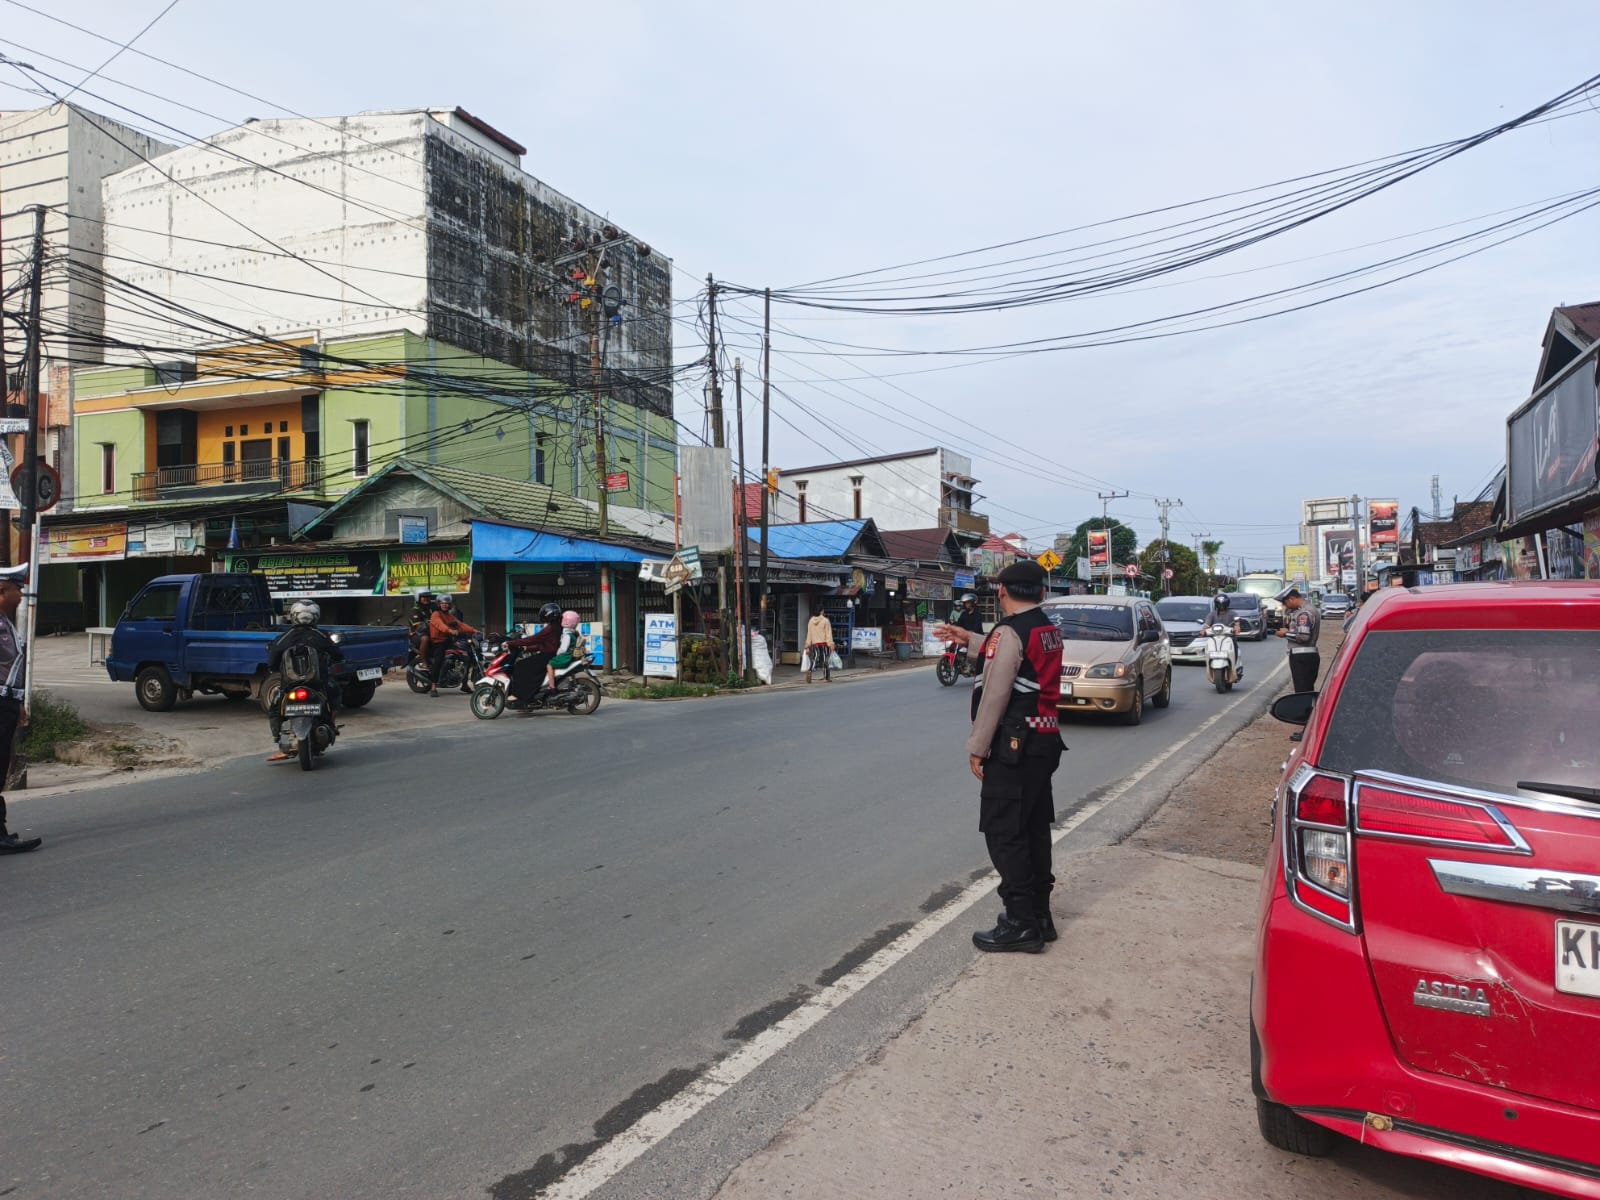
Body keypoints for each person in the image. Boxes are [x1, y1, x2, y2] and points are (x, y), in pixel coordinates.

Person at [933, 560, 1065, 953]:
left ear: (1003, 592)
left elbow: (995, 693)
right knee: (1034, 829)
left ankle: (1021, 921)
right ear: (1041, 593)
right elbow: (1012, 655)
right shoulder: (1046, 627)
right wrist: (970, 639)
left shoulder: (1009, 631)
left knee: (1005, 833)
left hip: (1015, 745)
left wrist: (978, 747)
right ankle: (1040, 915)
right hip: (1045, 740)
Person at [265, 600, 345, 762]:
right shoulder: (320, 635)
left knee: (275, 708)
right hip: (318, 684)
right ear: (316, 616)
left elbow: (272, 661)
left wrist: (274, 668)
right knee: (335, 694)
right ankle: (331, 725)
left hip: (289, 686)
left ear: (293, 616)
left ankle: (277, 736)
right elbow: (338, 655)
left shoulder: (284, 637)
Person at [0, 566, 41, 854]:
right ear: (3, 591)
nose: (21, 594)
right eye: (18, 589)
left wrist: (19, 704)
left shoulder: (5, 624)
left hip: (7, 704)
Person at [507, 602, 562, 705]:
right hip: (549, 654)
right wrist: (527, 648)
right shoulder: (557, 626)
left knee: (520, 666)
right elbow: (543, 644)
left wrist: (511, 643)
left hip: (547, 656)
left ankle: (520, 695)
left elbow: (534, 639)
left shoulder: (550, 628)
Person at [427, 595, 477, 697]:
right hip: (438, 642)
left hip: (448, 640)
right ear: (439, 604)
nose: (445, 605)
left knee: (466, 656)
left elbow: (461, 625)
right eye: (443, 603)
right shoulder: (436, 615)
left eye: (447, 603)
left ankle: (464, 684)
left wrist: (474, 631)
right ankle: (433, 687)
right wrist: (450, 630)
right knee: (439, 660)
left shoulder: (450, 616)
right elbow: (440, 625)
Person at [1277, 587, 1322, 692]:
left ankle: (1306, 708)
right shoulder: (1308, 609)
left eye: (1285, 603)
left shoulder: (1304, 613)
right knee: (1306, 689)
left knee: (1302, 690)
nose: (1285, 606)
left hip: (1302, 657)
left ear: (1292, 599)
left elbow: (1304, 636)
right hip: (1306, 656)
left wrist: (1285, 633)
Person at [543, 610, 584, 692]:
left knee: (549, 665)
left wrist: (557, 653)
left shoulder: (567, 635)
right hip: (570, 655)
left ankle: (551, 686)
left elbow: (563, 649)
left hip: (566, 657)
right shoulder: (574, 633)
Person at [951, 593, 985, 674]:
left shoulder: (978, 614)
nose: (966, 605)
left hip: (976, 637)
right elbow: (959, 624)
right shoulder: (964, 614)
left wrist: (970, 633)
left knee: (975, 655)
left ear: (973, 603)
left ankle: (974, 666)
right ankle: (959, 662)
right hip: (965, 637)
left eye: (968, 602)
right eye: (965, 603)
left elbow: (977, 627)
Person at [804, 608, 834, 684]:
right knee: (825, 659)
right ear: (821, 611)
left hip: (815, 643)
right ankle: (826, 677)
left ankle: (810, 670)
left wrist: (807, 644)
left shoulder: (811, 621)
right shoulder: (825, 621)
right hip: (824, 643)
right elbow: (828, 634)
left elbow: (809, 634)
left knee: (815, 657)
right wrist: (831, 644)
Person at [407, 591, 436, 666]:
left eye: (428, 597)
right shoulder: (415, 610)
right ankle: (424, 662)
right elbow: (418, 626)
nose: (426, 599)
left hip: (431, 632)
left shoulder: (431, 608)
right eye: (424, 597)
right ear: (418, 598)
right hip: (416, 635)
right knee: (425, 638)